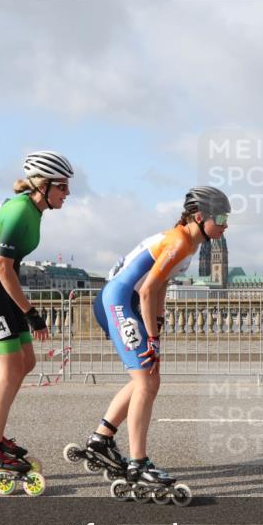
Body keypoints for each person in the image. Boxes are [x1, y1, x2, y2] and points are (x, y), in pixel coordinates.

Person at [84, 186, 230, 500]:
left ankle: (102, 437)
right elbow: (149, 289)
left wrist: (158, 326)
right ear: (200, 216)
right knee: (148, 380)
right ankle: (138, 463)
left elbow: (159, 286)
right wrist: (152, 337)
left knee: (145, 379)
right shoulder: (179, 242)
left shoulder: (188, 243)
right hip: (120, 301)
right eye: (221, 217)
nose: (225, 224)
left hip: (125, 301)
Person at [0, 151, 73, 484]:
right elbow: (0, 266)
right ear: (43, 185)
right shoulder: (21, 209)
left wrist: (27, 311)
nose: (67, 194)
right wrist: (31, 312)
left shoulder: (33, 209)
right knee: (10, 366)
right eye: (62, 187)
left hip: (0, 285)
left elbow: (8, 270)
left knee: (26, 361)